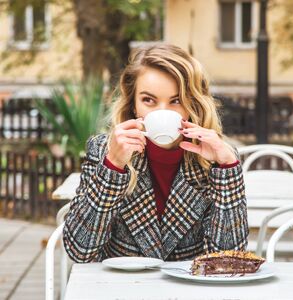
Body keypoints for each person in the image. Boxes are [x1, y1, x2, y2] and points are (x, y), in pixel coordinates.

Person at [63, 44, 248, 262]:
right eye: (148, 100)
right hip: (122, 289)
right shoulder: (104, 150)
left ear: (193, 105)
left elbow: (229, 260)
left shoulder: (213, 158)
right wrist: (113, 165)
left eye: (176, 100)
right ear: (133, 105)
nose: (162, 112)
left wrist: (226, 167)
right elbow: (80, 251)